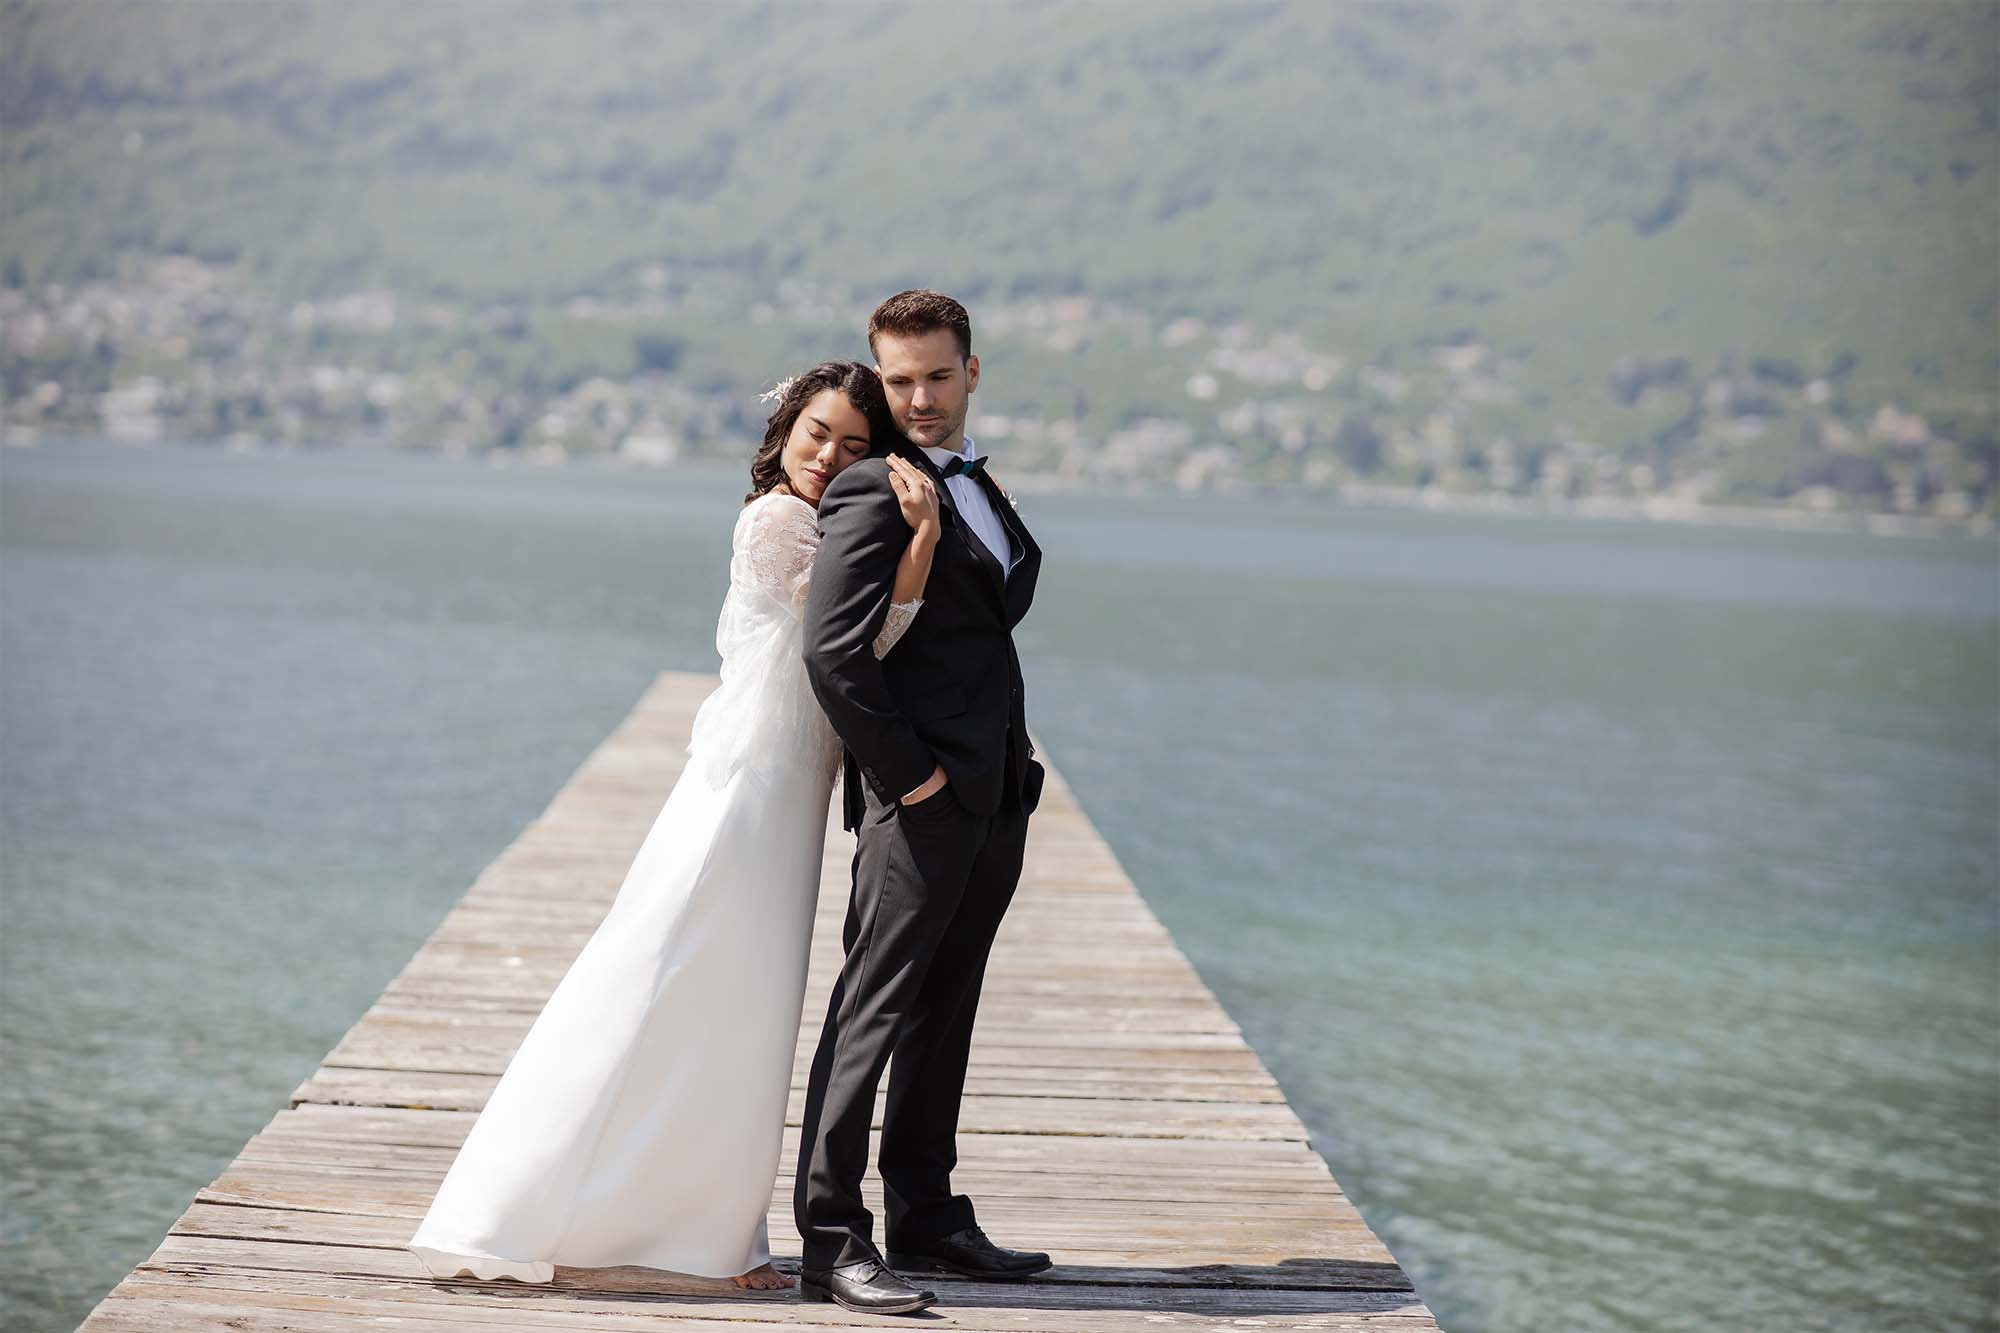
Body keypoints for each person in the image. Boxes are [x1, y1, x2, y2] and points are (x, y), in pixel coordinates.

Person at [405, 360, 944, 1292]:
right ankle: (541, 1205)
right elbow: (855, 642)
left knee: (738, 1004)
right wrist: (924, 540)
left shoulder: (822, 521)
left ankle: (699, 1232)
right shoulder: (777, 520)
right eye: (818, 432)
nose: (829, 456)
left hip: (785, 793)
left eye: (856, 447)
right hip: (743, 789)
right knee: (669, 976)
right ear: (785, 429)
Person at [794, 291, 1048, 1316]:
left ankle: (928, 1216)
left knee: (947, 1008)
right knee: (875, 1009)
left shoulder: (972, 478)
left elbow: (984, 625)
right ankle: (829, 1236)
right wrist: (916, 781)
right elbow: (833, 656)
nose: (918, 397)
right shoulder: (869, 489)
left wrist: (1002, 773)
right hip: (922, 801)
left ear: (971, 371)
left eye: (936, 376)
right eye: (896, 380)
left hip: (996, 793)